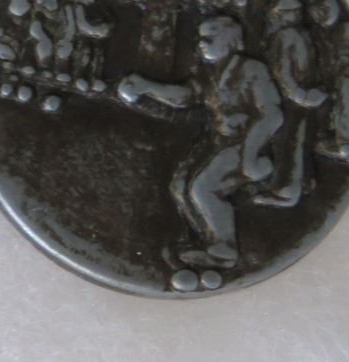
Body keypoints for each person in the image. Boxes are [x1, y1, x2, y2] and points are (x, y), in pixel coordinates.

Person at [117, 15, 283, 267]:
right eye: (200, 38)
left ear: (230, 41)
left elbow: (272, 115)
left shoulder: (252, 69)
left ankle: (225, 250)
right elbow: (187, 95)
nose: (201, 43)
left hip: (248, 143)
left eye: (209, 38)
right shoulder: (210, 73)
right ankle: (208, 242)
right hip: (222, 143)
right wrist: (147, 87)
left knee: (204, 188)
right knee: (181, 186)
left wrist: (250, 154)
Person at [259, 0, 327, 207]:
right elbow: (283, 72)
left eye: (296, 11)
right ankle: (296, 185)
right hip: (295, 98)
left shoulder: (293, 35)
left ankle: (291, 188)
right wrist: (303, 94)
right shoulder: (291, 36)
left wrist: (304, 94)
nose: (295, 15)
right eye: (290, 12)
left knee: (294, 141)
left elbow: (288, 71)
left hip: (296, 98)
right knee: (295, 140)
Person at [310, 0, 349, 165]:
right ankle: (339, 139)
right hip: (333, 75)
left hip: (347, 74)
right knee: (337, 106)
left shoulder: (348, 29)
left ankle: (345, 142)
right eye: (320, 11)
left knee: (345, 103)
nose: (323, 14)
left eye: (326, 10)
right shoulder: (324, 33)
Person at [68, 0, 113, 91]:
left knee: (98, 55)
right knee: (86, 54)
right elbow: (82, 26)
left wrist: (105, 26)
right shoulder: (78, 8)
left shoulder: (93, 8)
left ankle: (94, 77)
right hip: (85, 38)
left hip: (95, 37)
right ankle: (80, 76)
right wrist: (100, 29)